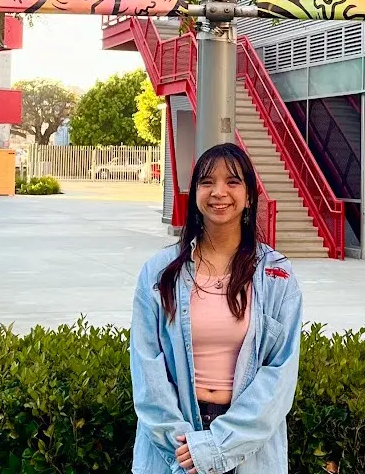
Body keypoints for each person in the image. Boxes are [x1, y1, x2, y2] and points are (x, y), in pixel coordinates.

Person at [130, 142, 304, 474]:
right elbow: (146, 369)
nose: (218, 192)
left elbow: (279, 375)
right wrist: (186, 448)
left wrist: (216, 447)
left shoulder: (276, 275)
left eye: (232, 182)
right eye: (207, 182)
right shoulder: (159, 272)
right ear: (194, 192)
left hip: (248, 449)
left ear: (250, 195)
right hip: (174, 452)